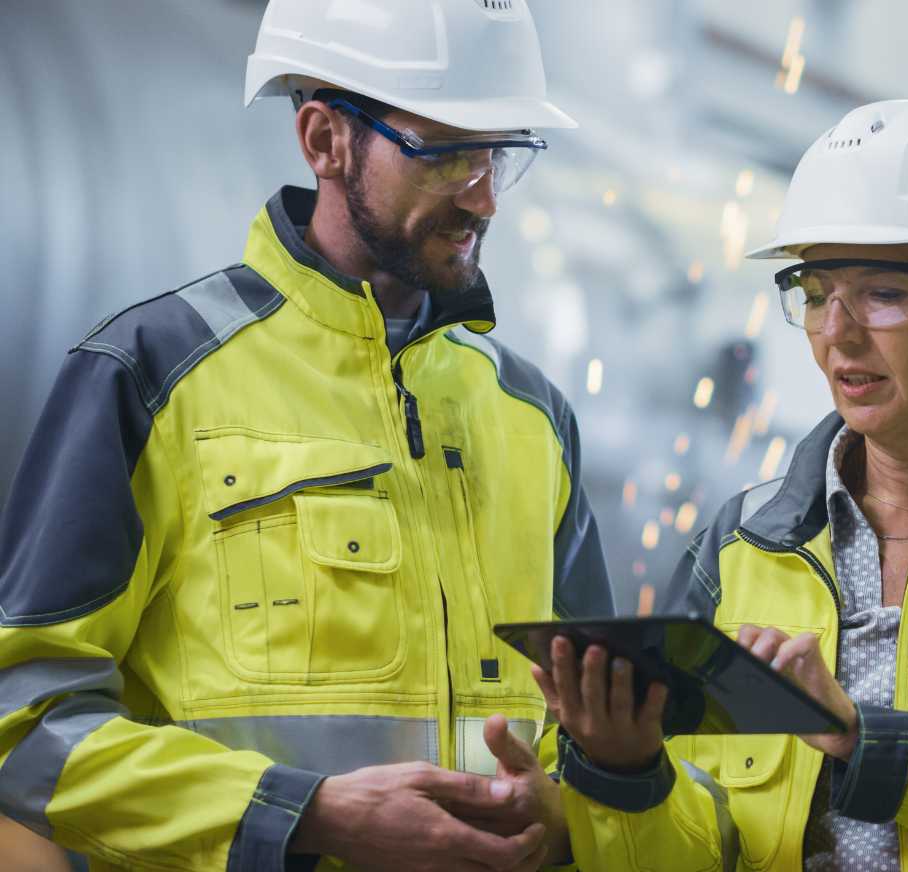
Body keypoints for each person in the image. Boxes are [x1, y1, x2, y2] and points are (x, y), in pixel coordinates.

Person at [0, 0, 612, 868]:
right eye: (444, 153)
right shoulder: (151, 375)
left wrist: (569, 810)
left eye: (499, 154)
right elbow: (23, 721)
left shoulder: (532, 416)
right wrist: (305, 814)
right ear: (324, 139)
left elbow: (595, 725)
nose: (483, 198)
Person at [535, 100, 908, 871]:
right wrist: (626, 774)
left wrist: (868, 740)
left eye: (884, 293)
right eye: (818, 290)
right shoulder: (742, 546)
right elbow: (705, 847)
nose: (837, 332)